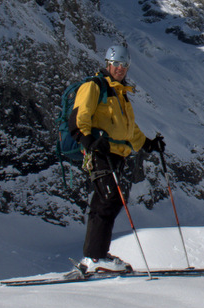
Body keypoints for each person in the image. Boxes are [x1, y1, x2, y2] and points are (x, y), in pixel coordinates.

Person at [69, 45, 164, 273]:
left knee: (106, 201)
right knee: (109, 199)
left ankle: (95, 256)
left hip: (117, 155)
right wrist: (89, 141)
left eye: (124, 65)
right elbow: (79, 117)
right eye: (117, 64)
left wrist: (148, 143)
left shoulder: (119, 93)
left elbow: (128, 130)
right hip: (101, 152)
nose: (120, 69)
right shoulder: (95, 86)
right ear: (108, 63)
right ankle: (95, 257)